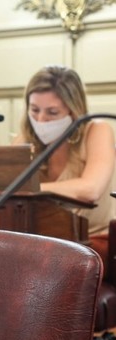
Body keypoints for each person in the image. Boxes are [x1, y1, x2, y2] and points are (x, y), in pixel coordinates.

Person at [13, 65, 115, 261]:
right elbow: (5, 186)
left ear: (73, 111)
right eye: (34, 110)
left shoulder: (97, 130)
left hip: (91, 242)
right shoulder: (25, 139)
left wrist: (31, 188)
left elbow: (91, 190)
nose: (41, 119)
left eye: (52, 112)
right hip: (43, 241)